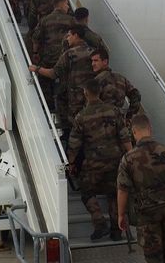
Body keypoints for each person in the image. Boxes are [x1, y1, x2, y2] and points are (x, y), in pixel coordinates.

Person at [117, 114, 165, 263]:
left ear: (133, 132)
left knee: (153, 256)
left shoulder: (128, 158)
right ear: (150, 129)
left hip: (148, 213)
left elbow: (122, 190)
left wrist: (121, 214)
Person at [67, 79, 132, 241]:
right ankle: (116, 231)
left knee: (86, 191)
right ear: (100, 92)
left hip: (93, 164)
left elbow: (74, 144)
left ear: (85, 93)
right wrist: (131, 156)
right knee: (113, 194)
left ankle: (100, 223)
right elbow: (124, 136)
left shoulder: (82, 116)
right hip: (115, 162)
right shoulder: (114, 111)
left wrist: (70, 162)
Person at [28, 25, 95, 140]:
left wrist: (37, 69)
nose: (67, 38)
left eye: (69, 35)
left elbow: (53, 73)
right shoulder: (93, 52)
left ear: (76, 36)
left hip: (74, 98)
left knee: (75, 128)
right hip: (92, 95)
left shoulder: (69, 54)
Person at [31, 0, 76, 108]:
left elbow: (36, 38)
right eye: (66, 4)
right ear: (60, 4)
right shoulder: (71, 20)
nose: (68, 7)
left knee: (45, 81)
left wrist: (35, 53)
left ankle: (48, 107)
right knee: (65, 85)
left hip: (48, 57)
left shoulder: (45, 20)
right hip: (66, 58)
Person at [91, 48, 141, 121]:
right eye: (92, 61)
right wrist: (129, 115)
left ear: (105, 62)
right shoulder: (121, 78)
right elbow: (136, 95)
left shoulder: (97, 80)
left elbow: (89, 105)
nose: (92, 64)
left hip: (102, 123)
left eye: (95, 61)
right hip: (119, 121)